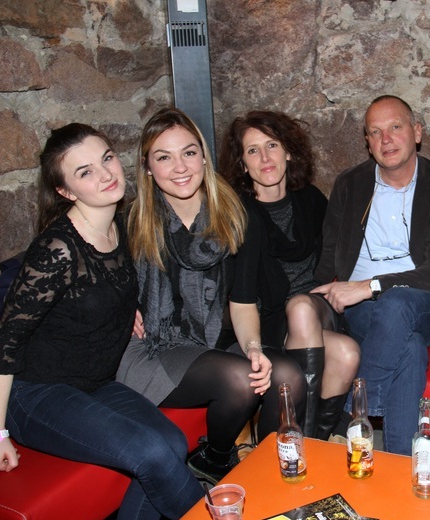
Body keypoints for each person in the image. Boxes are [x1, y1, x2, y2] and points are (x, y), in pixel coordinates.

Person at [0, 123, 203, 520]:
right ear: (65, 191)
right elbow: (3, 342)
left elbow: (104, 289)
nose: (105, 174)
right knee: (152, 451)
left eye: (107, 158)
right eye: (85, 172)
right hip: (37, 393)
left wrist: (128, 309)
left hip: (95, 383)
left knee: (172, 442)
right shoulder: (57, 249)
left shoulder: (121, 225)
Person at [118, 107, 306, 484]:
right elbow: (96, 282)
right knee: (240, 378)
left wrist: (253, 347)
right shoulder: (130, 221)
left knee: (288, 376)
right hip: (154, 347)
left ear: (203, 156)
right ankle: (216, 460)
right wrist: (121, 309)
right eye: (163, 157)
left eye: (189, 153)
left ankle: (265, 480)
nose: (180, 167)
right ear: (147, 167)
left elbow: (243, 300)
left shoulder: (237, 216)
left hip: (215, 341)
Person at [312, 95, 430, 455]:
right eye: (375, 132)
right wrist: (318, 297)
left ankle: (348, 417)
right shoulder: (350, 184)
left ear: (417, 132)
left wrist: (369, 286)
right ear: (367, 142)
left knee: (397, 302)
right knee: (409, 348)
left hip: (424, 304)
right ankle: (400, 467)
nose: (386, 139)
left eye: (395, 127)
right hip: (361, 312)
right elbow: (329, 254)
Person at [218, 110, 360, 439]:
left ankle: (299, 441)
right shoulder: (241, 215)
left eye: (272, 145)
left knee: (302, 306)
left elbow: (338, 255)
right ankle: (316, 439)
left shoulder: (310, 199)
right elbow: (242, 294)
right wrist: (253, 345)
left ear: (288, 152)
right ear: (243, 164)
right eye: (252, 150)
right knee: (346, 352)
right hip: (269, 319)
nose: (265, 158)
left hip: (316, 308)